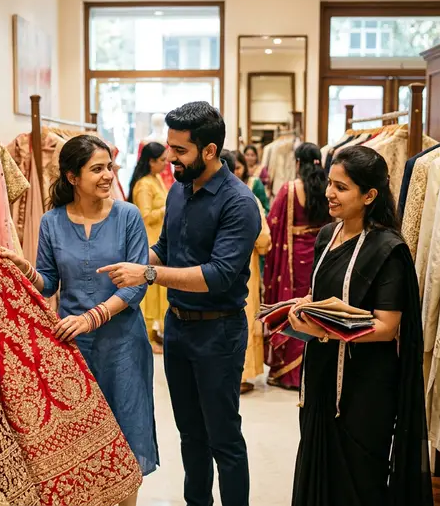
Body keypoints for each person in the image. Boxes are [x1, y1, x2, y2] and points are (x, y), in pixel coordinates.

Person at [98, 102, 261, 506]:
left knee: (223, 437)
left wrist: (149, 275)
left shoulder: (238, 202)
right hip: (179, 328)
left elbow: (219, 274)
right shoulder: (178, 191)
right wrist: (133, 263)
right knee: (190, 434)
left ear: (209, 151)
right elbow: (166, 248)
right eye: (169, 147)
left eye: (180, 150)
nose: (170, 157)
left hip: (219, 331)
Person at [14, 134, 159, 506]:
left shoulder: (128, 217)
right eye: (97, 169)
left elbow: (135, 286)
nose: (108, 175)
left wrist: (92, 318)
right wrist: (26, 272)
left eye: (109, 166)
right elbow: (48, 282)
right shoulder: (52, 222)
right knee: (83, 438)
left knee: (125, 436)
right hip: (73, 350)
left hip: (123, 344)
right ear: (72, 177)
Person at [288, 145, 431, 506]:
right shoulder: (327, 236)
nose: (329, 194)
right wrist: (305, 304)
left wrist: (323, 330)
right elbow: (323, 293)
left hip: (364, 387)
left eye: (341, 188)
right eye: (331, 184)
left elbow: (386, 326)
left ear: (370, 195)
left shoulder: (389, 249)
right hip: (321, 378)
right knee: (318, 472)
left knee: (358, 481)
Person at [263, 142, 330, 391]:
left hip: (292, 260)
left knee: (293, 307)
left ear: (298, 163)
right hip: (321, 254)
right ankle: (314, 369)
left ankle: (289, 374)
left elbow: (272, 222)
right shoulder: (328, 188)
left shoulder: (290, 189)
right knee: (316, 305)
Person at [223, 151, 272, 394]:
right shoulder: (247, 198)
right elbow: (263, 240)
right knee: (243, 315)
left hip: (203, 277)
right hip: (244, 271)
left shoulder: (194, 196)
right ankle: (241, 375)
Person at [128, 141, 170, 354]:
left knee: (159, 290)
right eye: (162, 160)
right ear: (151, 161)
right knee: (149, 293)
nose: (166, 163)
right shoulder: (144, 184)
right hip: (150, 241)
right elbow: (144, 216)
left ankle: (154, 333)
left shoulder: (155, 180)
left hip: (160, 240)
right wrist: (167, 208)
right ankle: (146, 336)